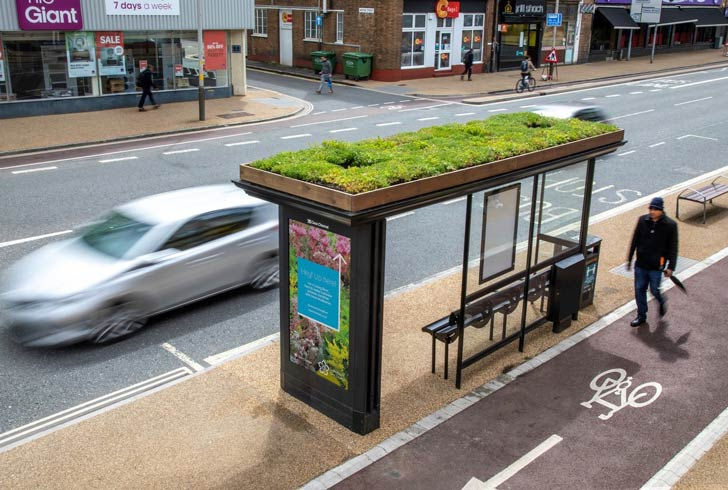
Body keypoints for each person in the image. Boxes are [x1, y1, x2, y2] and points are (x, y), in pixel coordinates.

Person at [626, 197, 678, 327]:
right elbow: (635, 240)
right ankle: (641, 316)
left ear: (661, 210)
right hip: (641, 264)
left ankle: (661, 301)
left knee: (654, 290)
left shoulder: (671, 226)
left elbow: (673, 248)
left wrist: (671, 267)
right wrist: (630, 258)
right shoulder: (642, 220)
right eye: (651, 208)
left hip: (656, 266)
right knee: (639, 290)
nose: (652, 211)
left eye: (655, 209)